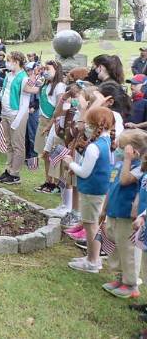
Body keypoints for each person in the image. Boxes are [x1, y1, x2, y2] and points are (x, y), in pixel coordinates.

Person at [65, 107, 115, 274]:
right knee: (93, 224)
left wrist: (70, 162)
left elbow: (84, 172)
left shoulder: (94, 147)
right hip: (99, 189)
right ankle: (92, 258)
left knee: (90, 225)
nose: (85, 126)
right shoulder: (107, 142)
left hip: (91, 190)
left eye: (87, 123)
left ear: (94, 125)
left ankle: (93, 261)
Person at [97, 130, 147, 297]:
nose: (118, 148)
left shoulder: (140, 167)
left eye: (122, 147)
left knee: (128, 250)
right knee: (116, 247)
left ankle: (131, 284)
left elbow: (125, 180)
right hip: (113, 212)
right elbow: (112, 187)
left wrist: (127, 159)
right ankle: (120, 277)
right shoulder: (119, 164)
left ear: (133, 151)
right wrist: (104, 209)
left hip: (127, 216)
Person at [0, 51, 31, 185]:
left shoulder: (24, 78)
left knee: (17, 145)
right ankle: (8, 169)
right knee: (9, 144)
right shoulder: (9, 75)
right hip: (5, 112)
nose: (7, 64)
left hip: (16, 114)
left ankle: (15, 173)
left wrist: (18, 119)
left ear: (16, 62)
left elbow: (24, 102)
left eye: (9, 61)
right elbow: (5, 91)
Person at [34, 61, 67, 194]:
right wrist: (37, 72)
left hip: (52, 122)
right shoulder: (45, 84)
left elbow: (59, 108)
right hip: (42, 119)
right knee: (44, 153)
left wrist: (50, 125)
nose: (45, 71)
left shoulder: (59, 86)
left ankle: (54, 183)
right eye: (45, 68)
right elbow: (33, 86)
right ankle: (48, 180)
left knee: (51, 153)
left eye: (48, 69)